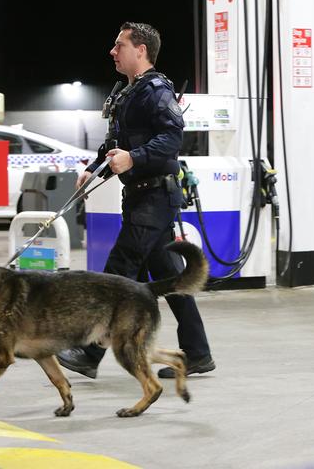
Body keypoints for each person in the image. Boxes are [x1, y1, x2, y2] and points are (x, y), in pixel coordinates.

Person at [57, 22, 215, 380]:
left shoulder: (156, 90)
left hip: (155, 196)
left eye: (119, 45)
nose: (113, 52)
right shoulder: (128, 93)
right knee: (169, 279)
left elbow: (171, 139)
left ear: (140, 50)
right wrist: (94, 169)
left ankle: (88, 351)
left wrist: (135, 158)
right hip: (140, 197)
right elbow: (114, 143)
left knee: (119, 271)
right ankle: (198, 352)